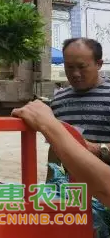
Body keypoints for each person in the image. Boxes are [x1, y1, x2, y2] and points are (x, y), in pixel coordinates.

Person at [12, 99, 110, 207]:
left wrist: (48, 124)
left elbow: (106, 188)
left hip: (95, 200)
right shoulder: (59, 99)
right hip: (66, 186)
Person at [46, 38, 110, 180]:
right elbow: (55, 149)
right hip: (71, 192)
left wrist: (97, 149)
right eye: (69, 67)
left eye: (82, 67)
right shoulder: (58, 100)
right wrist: (50, 185)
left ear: (98, 64)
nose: (75, 73)